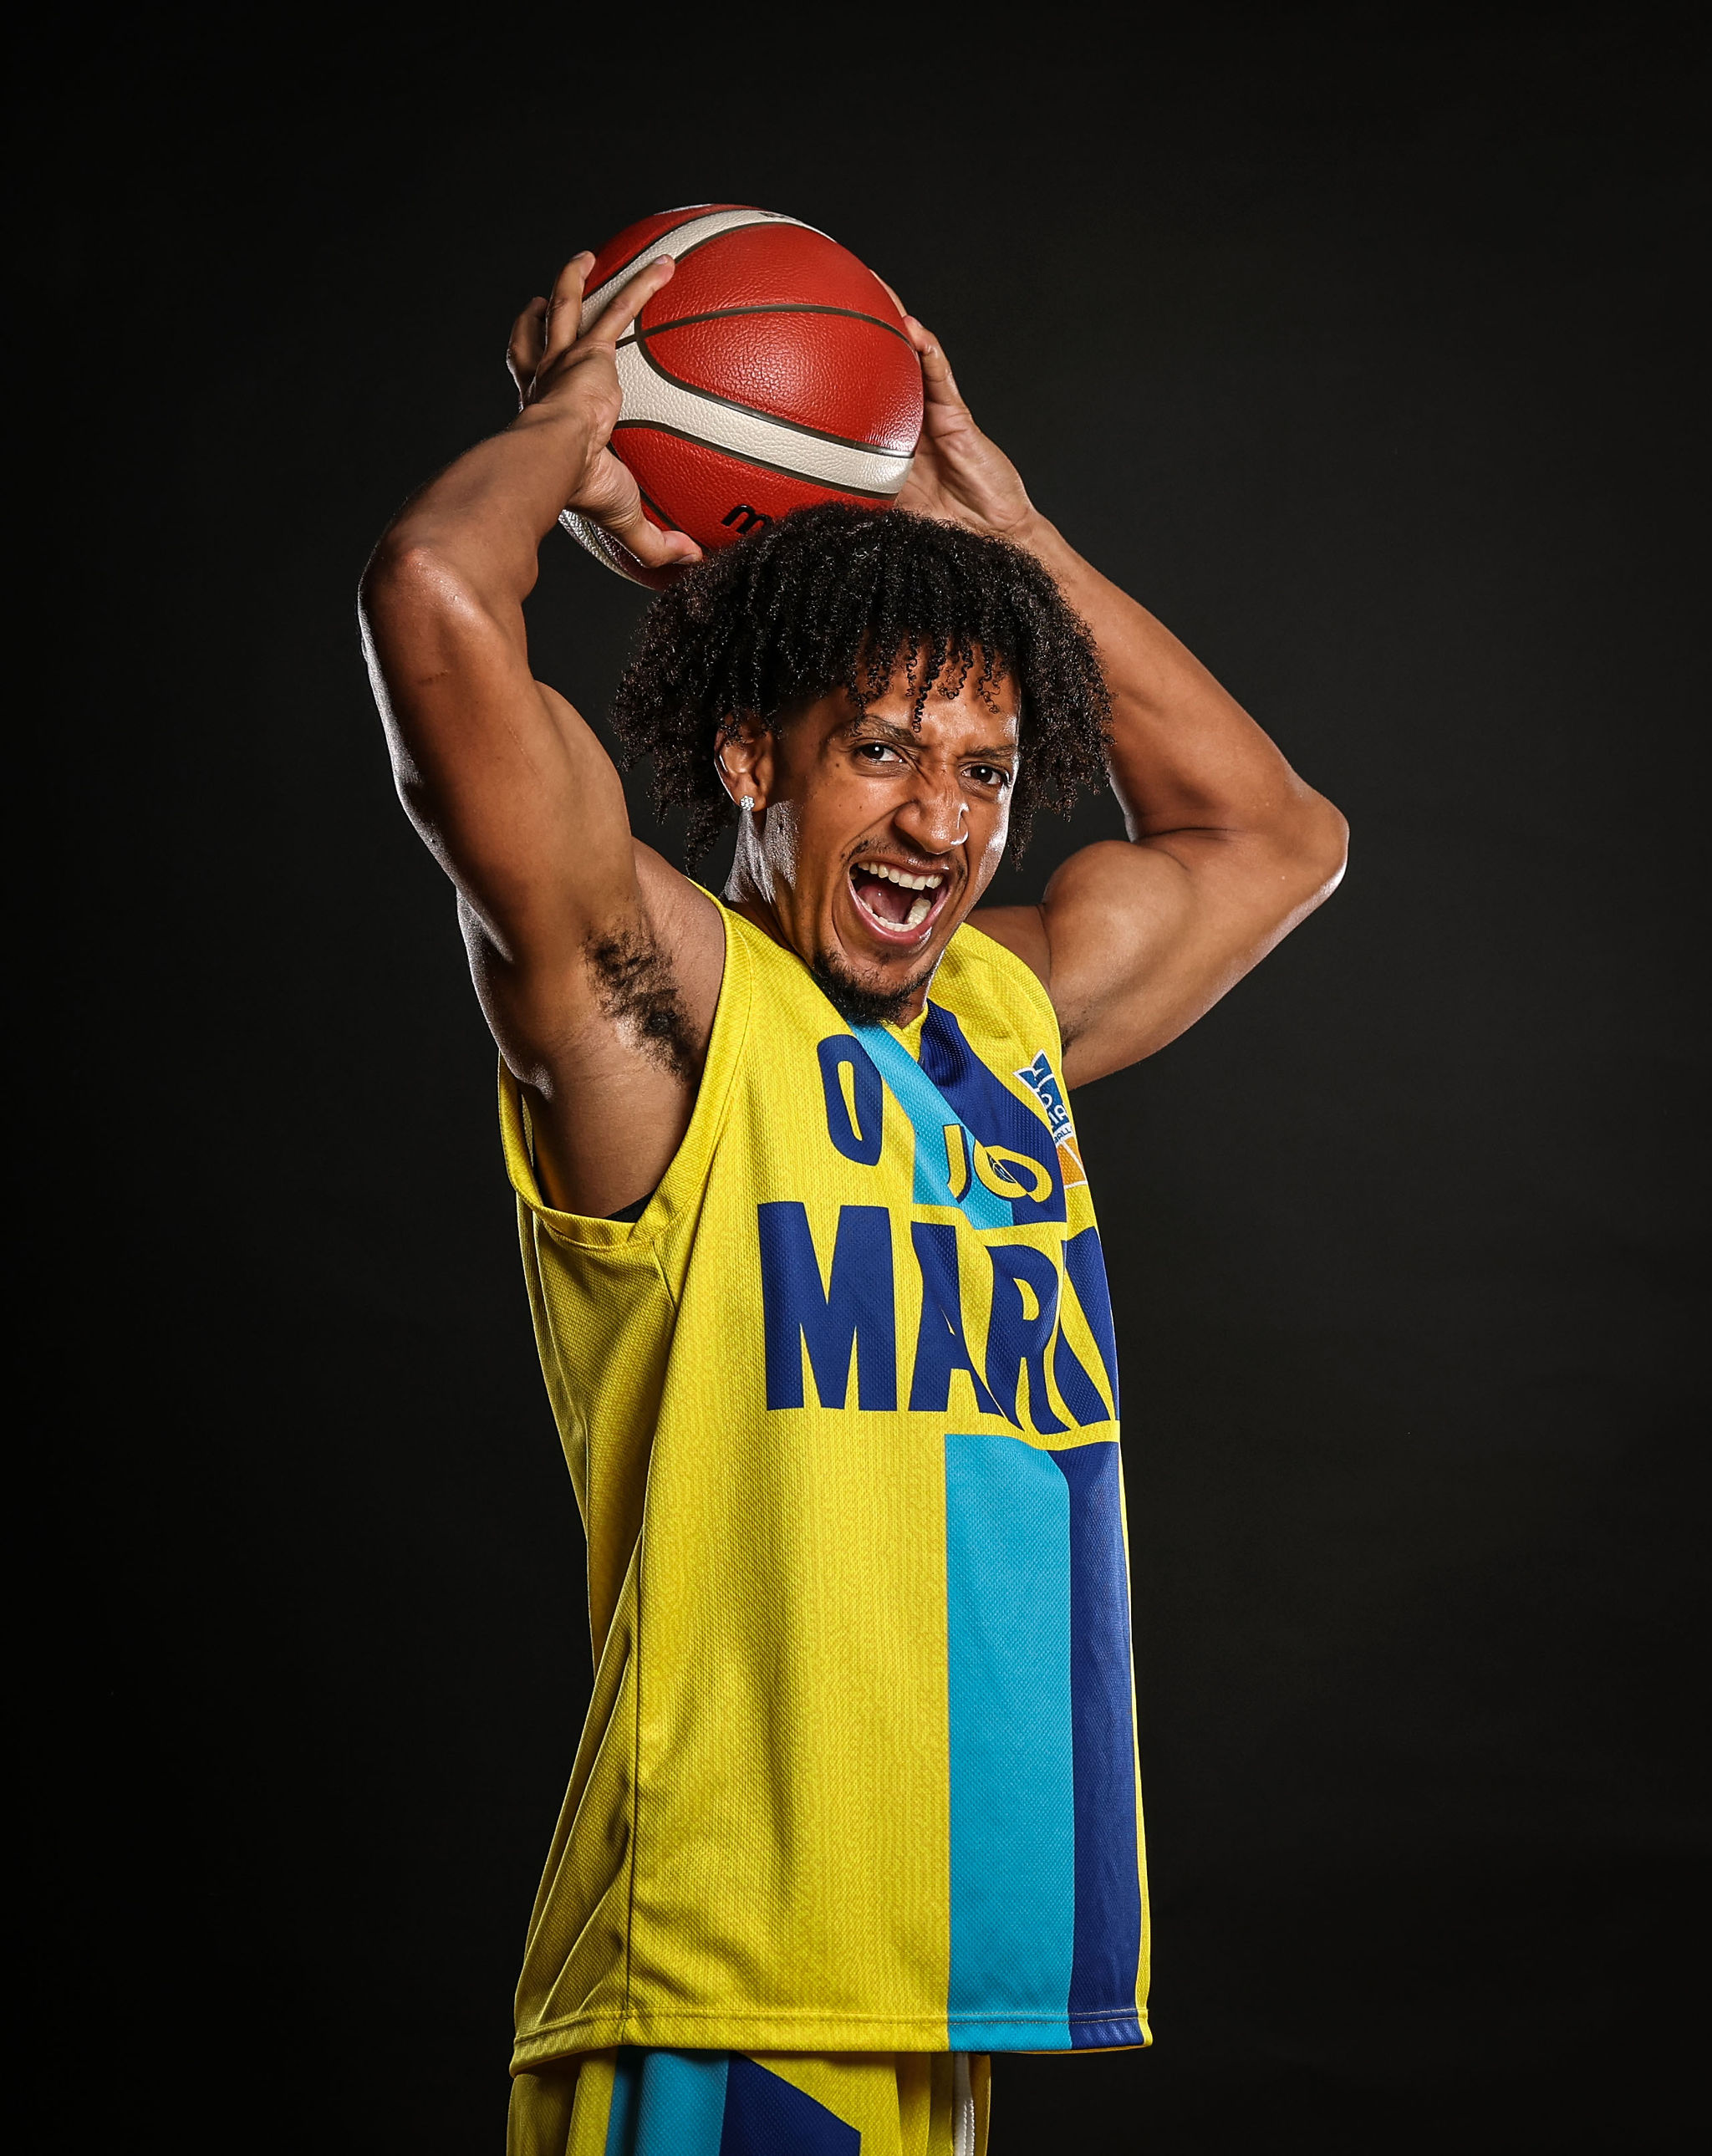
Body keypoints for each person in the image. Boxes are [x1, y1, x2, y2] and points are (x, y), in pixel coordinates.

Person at [359, 247, 1347, 2156]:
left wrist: (1003, 536)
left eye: (986, 771)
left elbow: (1273, 837)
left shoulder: (1004, 1019)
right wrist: (587, 422)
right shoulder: (662, 1015)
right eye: (881, 750)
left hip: (935, 1985)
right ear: (754, 756)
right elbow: (433, 596)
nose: (939, 821)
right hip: (720, 1976)